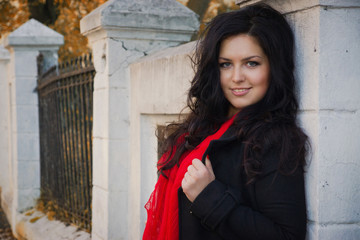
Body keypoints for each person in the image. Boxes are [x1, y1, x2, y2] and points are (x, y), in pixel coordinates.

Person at [143, 3, 309, 240]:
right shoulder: (203, 126)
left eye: (252, 63)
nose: (237, 77)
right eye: (226, 64)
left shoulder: (275, 140)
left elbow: (286, 236)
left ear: (274, 67)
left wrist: (209, 197)